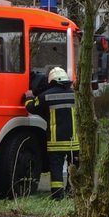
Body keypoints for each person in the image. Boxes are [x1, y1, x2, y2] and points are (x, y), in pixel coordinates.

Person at [24, 67, 79, 200]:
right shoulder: (77, 95)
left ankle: (57, 196)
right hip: (74, 141)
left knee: (56, 170)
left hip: (56, 141)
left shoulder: (46, 96)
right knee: (75, 169)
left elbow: (31, 107)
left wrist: (29, 97)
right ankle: (73, 193)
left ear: (52, 81)